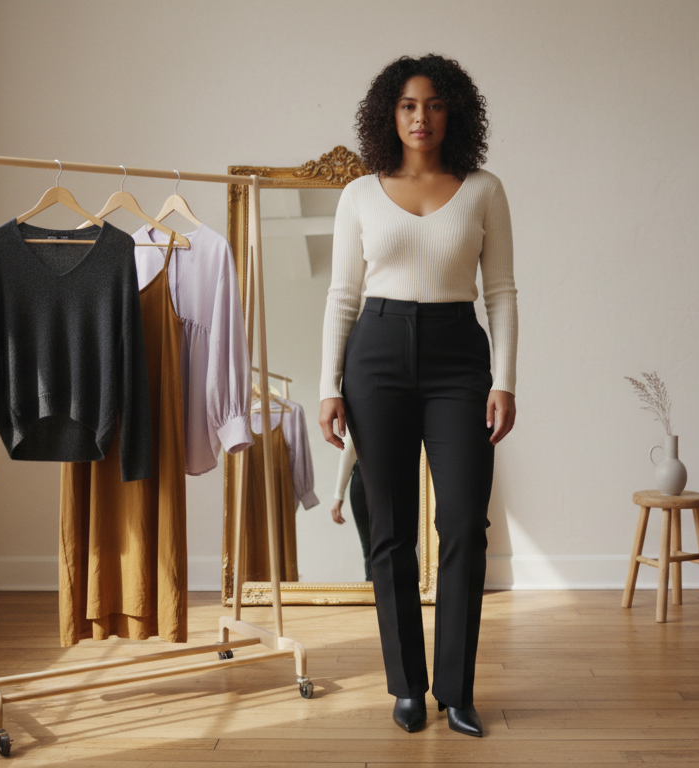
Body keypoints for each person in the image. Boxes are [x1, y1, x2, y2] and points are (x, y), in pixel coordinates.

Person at [318, 53, 517, 737]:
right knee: (389, 530)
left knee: (464, 522)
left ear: (452, 111)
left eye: (433, 104)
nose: (421, 116)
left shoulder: (484, 189)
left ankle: (457, 691)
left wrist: (505, 380)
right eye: (408, 105)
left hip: (459, 357)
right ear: (389, 114)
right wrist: (327, 387)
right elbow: (342, 295)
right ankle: (407, 685)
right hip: (374, 354)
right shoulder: (359, 195)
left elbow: (501, 294)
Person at [329, 432, 372, 581]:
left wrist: (338, 496)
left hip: (365, 476)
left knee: (370, 549)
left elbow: (350, 446)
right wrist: (338, 495)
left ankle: (376, 598)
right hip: (393, 475)